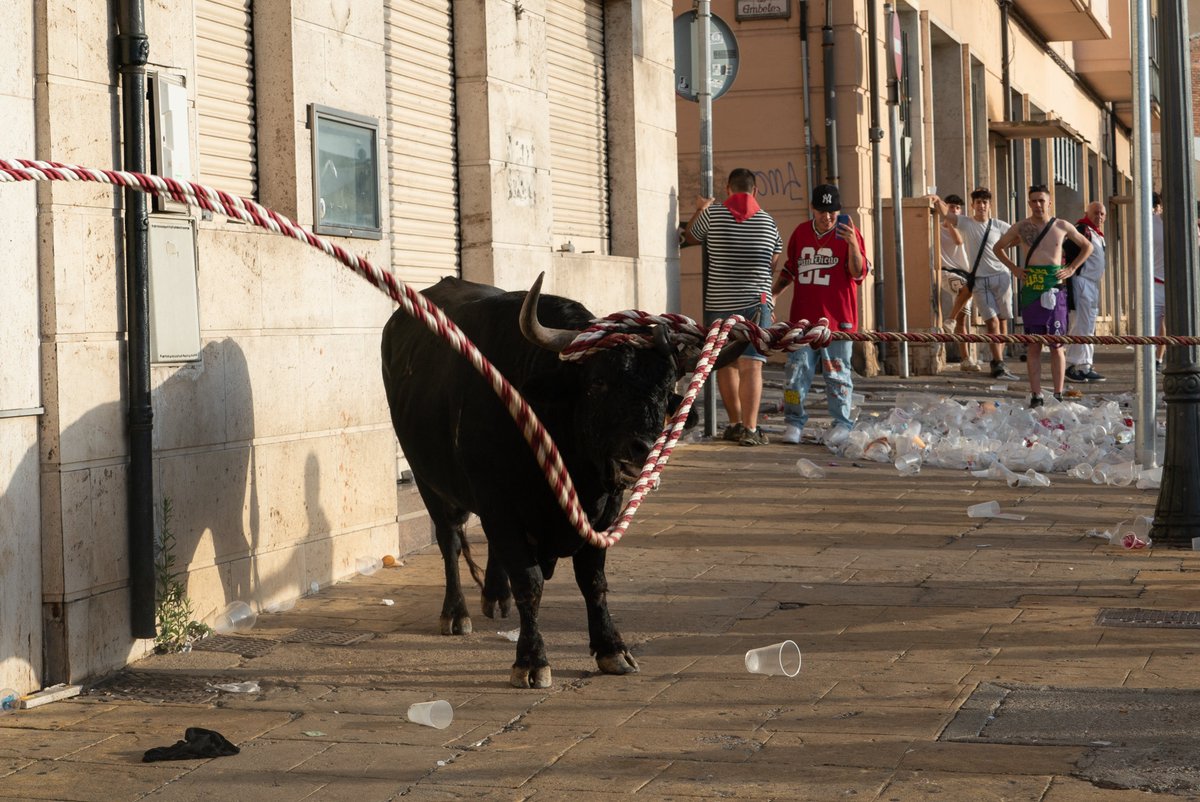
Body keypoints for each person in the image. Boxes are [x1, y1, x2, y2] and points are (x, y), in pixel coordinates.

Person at [684, 167, 783, 446]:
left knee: (726, 364)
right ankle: (751, 430)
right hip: (756, 303)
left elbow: (690, 236)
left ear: (728, 189)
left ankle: (735, 424)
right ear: (755, 191)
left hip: (719, 302)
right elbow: (772, 263)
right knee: (752, 365)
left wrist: (702, 209)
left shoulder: (713, 216)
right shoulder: (768, 222)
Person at [772, 183, 869, 444]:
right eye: (823, 211)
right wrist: (773, 296)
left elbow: (858, 273)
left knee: (838, 374)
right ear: (812, 209)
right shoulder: (801, 233)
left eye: (833, 212)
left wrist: (852, 246)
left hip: (839, 320)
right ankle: (793, 421)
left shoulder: (851, 234)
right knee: (795, 372)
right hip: (803, 320)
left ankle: (842, 423)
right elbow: (790, 269)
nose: (828, 217)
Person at [991, 184, 1093, 408]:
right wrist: (1014, 269)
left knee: (1057, 344)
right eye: (1034, 201)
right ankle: (1036, 394)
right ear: (1029, 203)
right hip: (1032, 289)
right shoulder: (1021, 227)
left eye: (1041, 200)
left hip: (1055, 288)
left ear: (1049, 202)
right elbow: (998, 247)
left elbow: (1087, 246)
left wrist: (1073, 268)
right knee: (1034, 345)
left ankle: (1058, 393)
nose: (1038, 205)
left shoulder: (1062, 225)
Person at [931, 188, 1018, 380]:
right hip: (978, 280)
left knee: (1003, 322)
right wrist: (937, 199)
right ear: (973, 206)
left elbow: (1017, 236)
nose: (981, 205)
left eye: (985, 202)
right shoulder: (966, 223)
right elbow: (947, 216)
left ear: (990, 205)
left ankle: (998, 361)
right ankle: (995, 363)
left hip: (1001, 277)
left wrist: (1003, 248)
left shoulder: (999, 225)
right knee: (992, 322)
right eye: (978, 202)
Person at [934, 193, 980, 371]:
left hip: (964, 274)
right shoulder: (937, 228)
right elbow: (957, 241)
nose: (954, 210)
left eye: (957, 208)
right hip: (947, 273)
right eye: (951, 207)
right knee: (967, 289)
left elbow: (960, 240)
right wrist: (946, 220)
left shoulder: (964, 227)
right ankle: (949, 319)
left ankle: (965, 359)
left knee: (963, 321)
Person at [1063, 201, 1108, 383]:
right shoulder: (1081, 230)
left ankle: (1085, 365)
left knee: (1088, 325)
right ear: (1087, 213)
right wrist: (1071, 271)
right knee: (1079, 323)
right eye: (1095, 213)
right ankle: (1071, 365)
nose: (1099, 216)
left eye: (1102, 214)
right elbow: (1067, 251)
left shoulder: (1097, 235)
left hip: (1092, 284)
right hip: (1081, 281)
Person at [1151, 192, 1165, 371]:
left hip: (1178, 284)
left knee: (1177, 328)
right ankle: (1150, 361)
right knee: (1152, 327)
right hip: (1154, 282)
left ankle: (1159, 360)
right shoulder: (1150, 222)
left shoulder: (1188, 223)